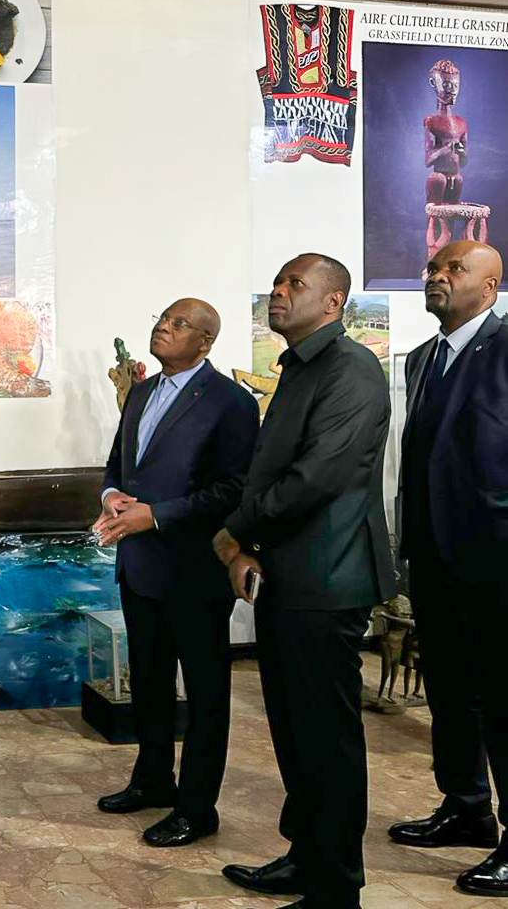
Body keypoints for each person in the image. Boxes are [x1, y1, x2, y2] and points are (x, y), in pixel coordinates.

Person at [213, 253, 393, 909]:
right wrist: (247, 540)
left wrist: (233, 532)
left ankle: (335, 886)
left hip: (327, 577)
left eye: (296, 285)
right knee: (293, 732)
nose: (279, 293)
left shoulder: (351, 369)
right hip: (288, 575)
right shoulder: (297, 367)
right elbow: (274, 472)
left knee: (324, 738)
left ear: (333, 302)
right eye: (278, 283)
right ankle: (305, 855)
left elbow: (312, 478)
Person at [93, 299, 258, 847]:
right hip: (139, 566)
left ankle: (197, 807)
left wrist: (155, 516)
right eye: (162, 318)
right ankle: (152, 781)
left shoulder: (231, 402)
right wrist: (113, 495)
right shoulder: (139, 393)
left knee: (206, 693)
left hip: (194, 568)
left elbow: (232, 490)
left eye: (179, 324)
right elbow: (121, 464)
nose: (163, 326)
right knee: (149, 682)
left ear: (205, 342)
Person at [390, 240, 508, 897]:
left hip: (495, 560)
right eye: (433, 267)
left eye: (453, 268)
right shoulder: (420, 359)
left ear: (488, 287)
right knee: (450, 694)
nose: (436, 276)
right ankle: (465, 810)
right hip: (431, 557)